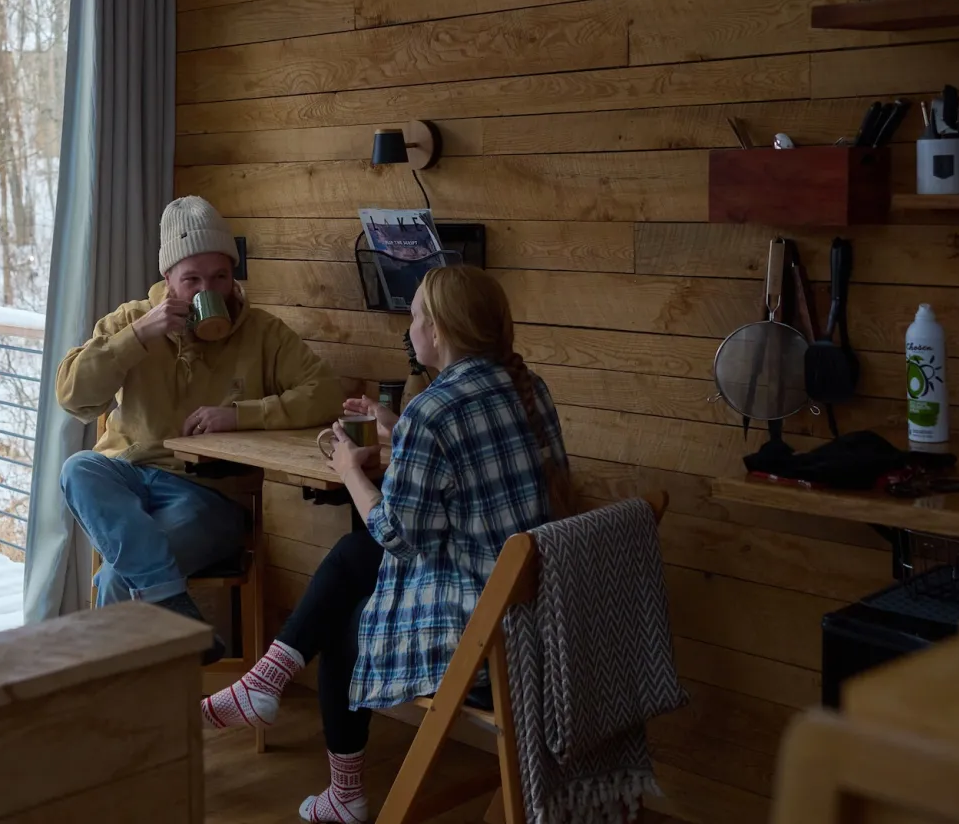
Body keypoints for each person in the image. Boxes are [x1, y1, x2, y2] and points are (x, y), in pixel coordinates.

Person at [200, 265, 573, 823]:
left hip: (486, 640)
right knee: (353, 557)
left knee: (344, 624)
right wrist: (397, 427)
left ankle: (344, 795)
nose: (410, 326)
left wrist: (350, 469)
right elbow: (468, 465)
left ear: (439, 330)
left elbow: (398, 533)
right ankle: (266, 681)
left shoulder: (435, 410)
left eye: (416, 315)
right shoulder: (525, 388)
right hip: (541, 620)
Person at [56, 196, 345, 661]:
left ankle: (123, 696)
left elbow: (326, 392)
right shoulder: (131, 321)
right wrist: (138, 337)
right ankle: (170, 603)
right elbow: (73, 396)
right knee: (78, 467)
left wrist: (242, 415)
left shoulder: (262, 333)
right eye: (192, 280)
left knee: (117, 579)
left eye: (220, 277)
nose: (208, 290)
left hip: (210, 496)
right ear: (167, 278)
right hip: (130, 478)